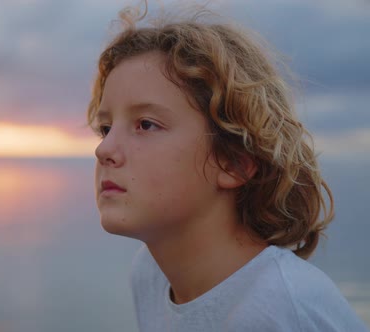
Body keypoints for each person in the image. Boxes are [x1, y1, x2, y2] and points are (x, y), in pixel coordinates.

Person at [87, 3, 368, 332]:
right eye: (106, 128)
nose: (103, 148)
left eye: (146, 124)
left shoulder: (283, 309)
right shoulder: (151, 277)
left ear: (234, 162)